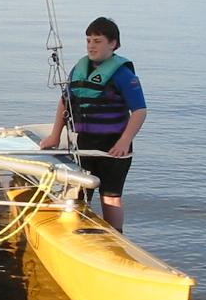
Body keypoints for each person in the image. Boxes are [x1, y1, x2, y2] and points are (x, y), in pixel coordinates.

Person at [39, 17, 146, 232]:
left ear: (113, 44)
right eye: (88, 40)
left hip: (114, 148)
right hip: (85, 144)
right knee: (77, 194)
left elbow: (140, 111)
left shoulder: (123, 74)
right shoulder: (79, 70)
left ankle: (117, 238)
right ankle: (76, 233)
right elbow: (64, 103)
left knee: (110, 198)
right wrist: (54, 136)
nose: (91, 45)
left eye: (97, 41)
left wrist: (125, 141)